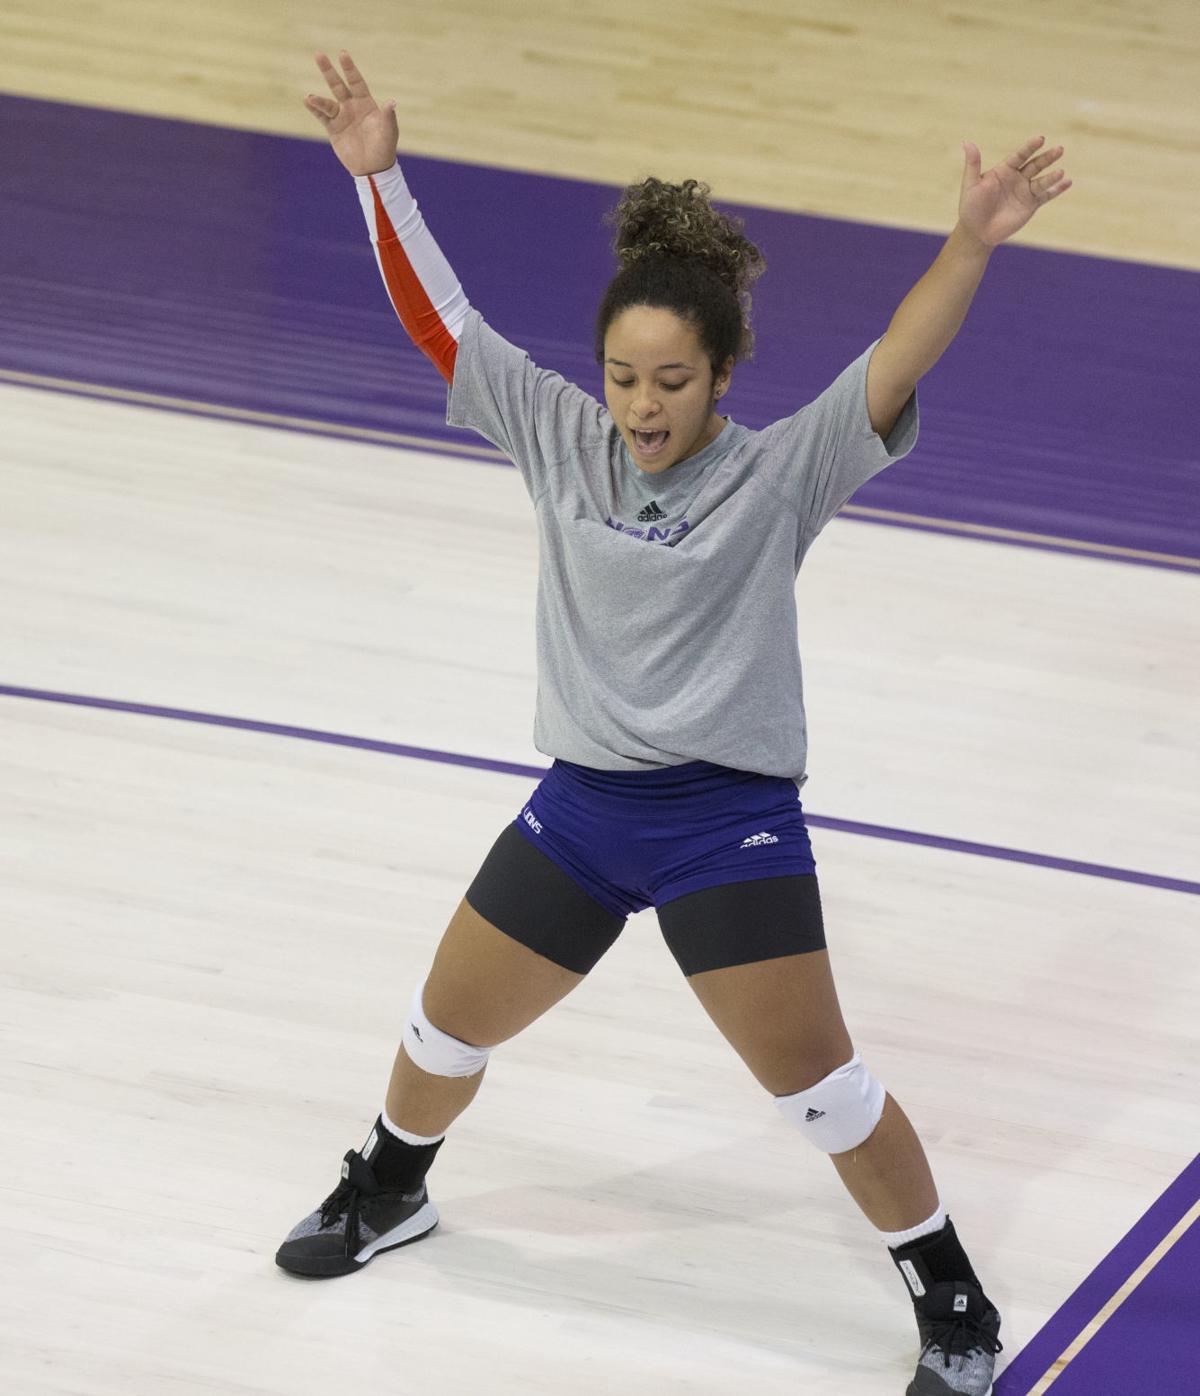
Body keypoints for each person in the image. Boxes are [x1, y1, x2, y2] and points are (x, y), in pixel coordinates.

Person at [277, 49, 1071, 1396]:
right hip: (582, 813)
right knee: (438, 1035)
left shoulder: (782, 475)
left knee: (823, 1094)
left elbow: (896, 357)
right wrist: (379, 179)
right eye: (623, 377)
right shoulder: (558, 439)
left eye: (671, 381)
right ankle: (392, 1189)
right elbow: (443, 321)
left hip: (725, 826)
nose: (641, 406)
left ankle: (950, 1301)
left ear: (720, 376)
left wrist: (969, 243)